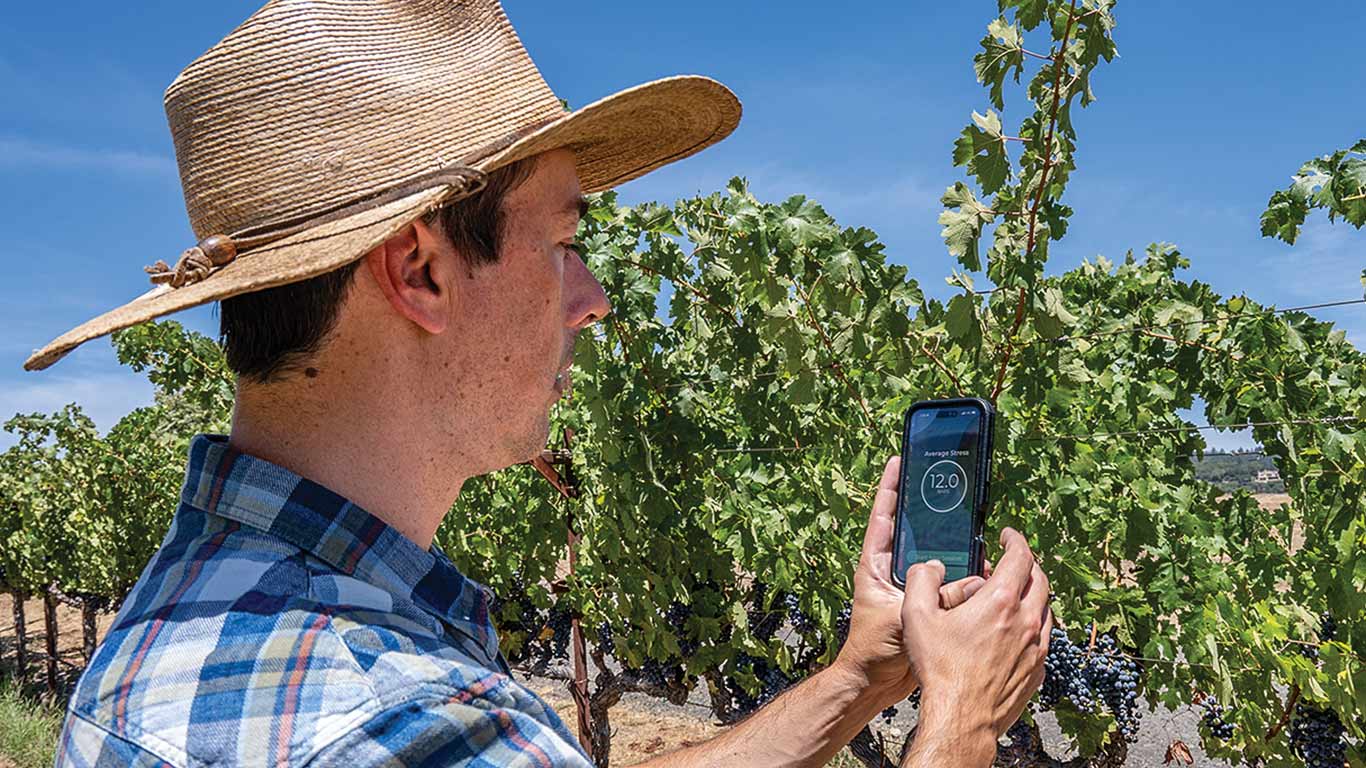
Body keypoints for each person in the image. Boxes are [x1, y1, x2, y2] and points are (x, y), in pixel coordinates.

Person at [28, 2, 1050, 766]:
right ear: (421, 271)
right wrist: (957, 715)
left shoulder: (195, 606)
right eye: (563, 242)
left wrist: (851, 682)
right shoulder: (391, 715)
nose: (593, 296)